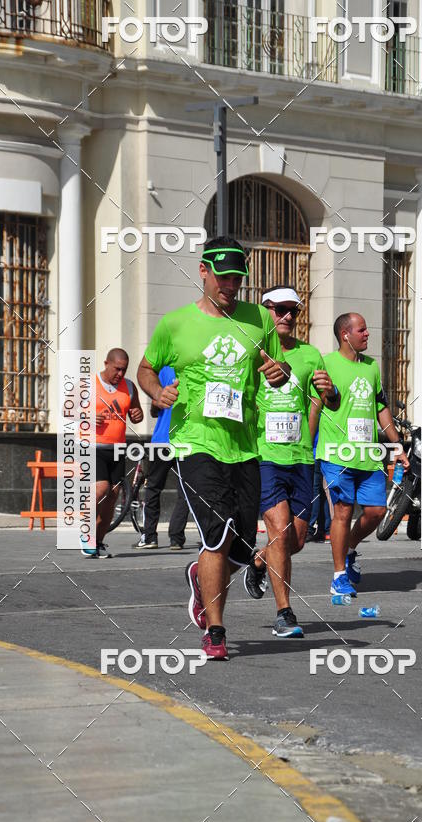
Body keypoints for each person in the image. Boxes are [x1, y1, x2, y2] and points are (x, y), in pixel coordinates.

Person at [137, 236, 290, 660]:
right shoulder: (176, 324)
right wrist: (156, 392)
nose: (230, 285)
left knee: (239, 546)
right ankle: (216, 630)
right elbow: (146, 368)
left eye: (237, 278)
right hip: (194, 441)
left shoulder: (259, 320)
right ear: (203, 271)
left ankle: (198, 575)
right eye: (223, 277)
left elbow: (276, 367)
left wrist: (279, 373)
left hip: (243, 444)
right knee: (216, 532)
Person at [252, 285, 340, 637]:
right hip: (265, 456)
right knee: (279, 528)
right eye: (280, 309)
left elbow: (325, 401)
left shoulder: (310, 354)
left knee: (297, 540)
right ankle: (284, 613)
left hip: (302, 457)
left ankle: (258, 560)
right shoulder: (252, 352)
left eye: (294, 311)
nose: (288, 316)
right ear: (266, 311)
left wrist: (330, 392)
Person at [316, 313, 409, 599]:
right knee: (342, 512)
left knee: (377, 512)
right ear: (345, 334)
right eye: (362, 330)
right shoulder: (326, 364)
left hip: (368, 455)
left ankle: (350, 550)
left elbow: (380, 407)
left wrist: (397, 444)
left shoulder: (371, 367)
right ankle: (339, 576)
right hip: (336, 454)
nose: (367, 334)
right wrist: (308, 449)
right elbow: (314, 407)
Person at [85, 348, 143, 559]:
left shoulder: (129, 386)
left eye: (124, 369)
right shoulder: (89, 383)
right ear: (106, 363)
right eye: (117, 369)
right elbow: (67, 409)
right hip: (92, 446)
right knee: (101, 489)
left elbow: (136, 413)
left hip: (117, 447)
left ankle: (98, 542)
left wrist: (137, 414)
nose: (120, 373)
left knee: (113, 496)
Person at [132, 365, 189, 551]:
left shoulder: (162, 371)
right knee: (185, 491)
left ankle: (150, 537)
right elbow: (155, 410)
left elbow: (154, 411)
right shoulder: (194, 368)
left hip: (162, 439)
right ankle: (176, 538)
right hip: (185, 441)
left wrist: (157, 403)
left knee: (153, 488)